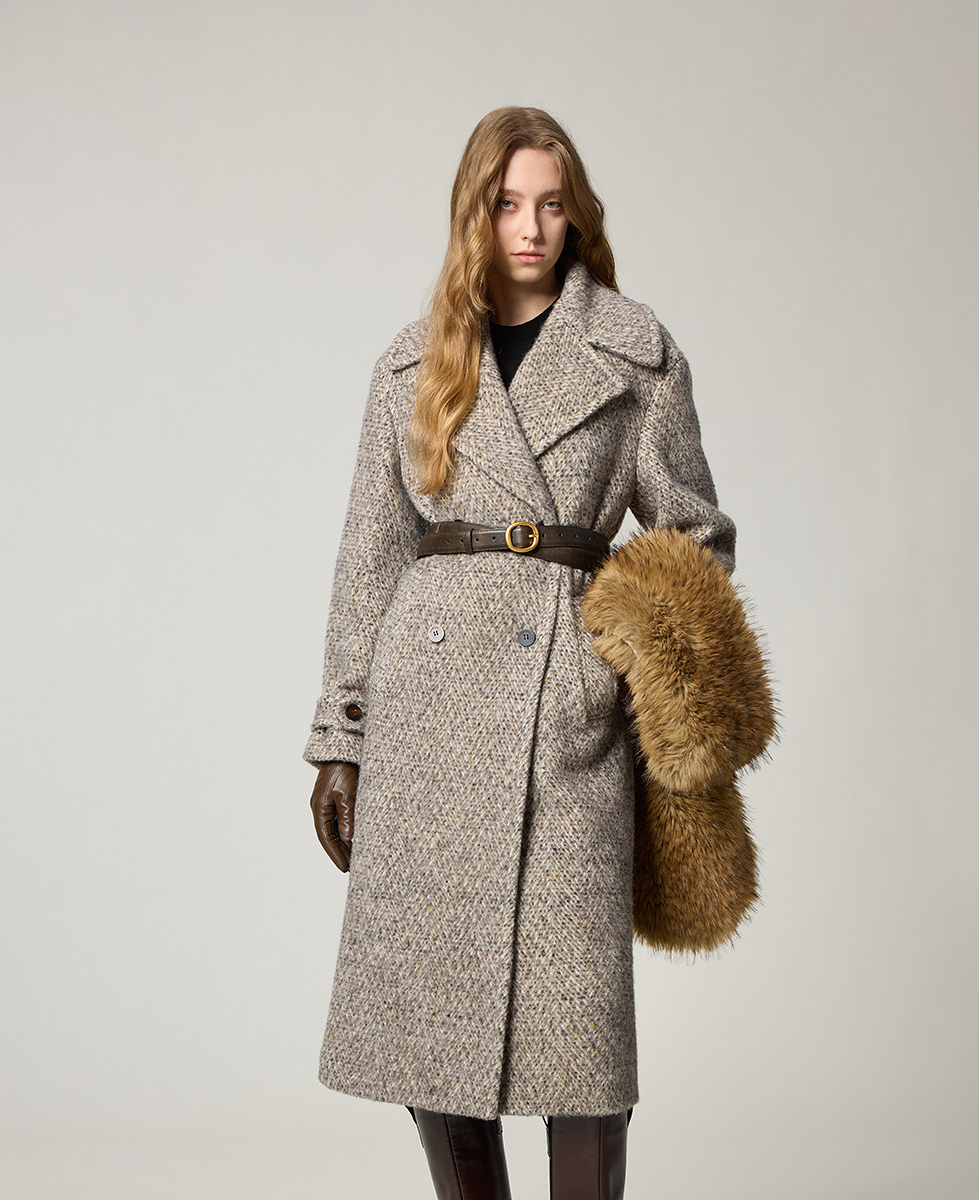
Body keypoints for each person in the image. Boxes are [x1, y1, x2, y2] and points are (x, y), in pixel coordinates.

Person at [304, 106, 738, 1200]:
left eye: (550, 204)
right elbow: (369, 556)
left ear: (576, 213)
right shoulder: (411, 365)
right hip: (429, 716)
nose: (531, 228)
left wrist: (623, 662)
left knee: (580, 1042)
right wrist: (341, 740)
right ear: (475, 215)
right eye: (507, 205)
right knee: (430, 1032)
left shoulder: (633, 353)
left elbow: (695, 537)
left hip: (569, 716)